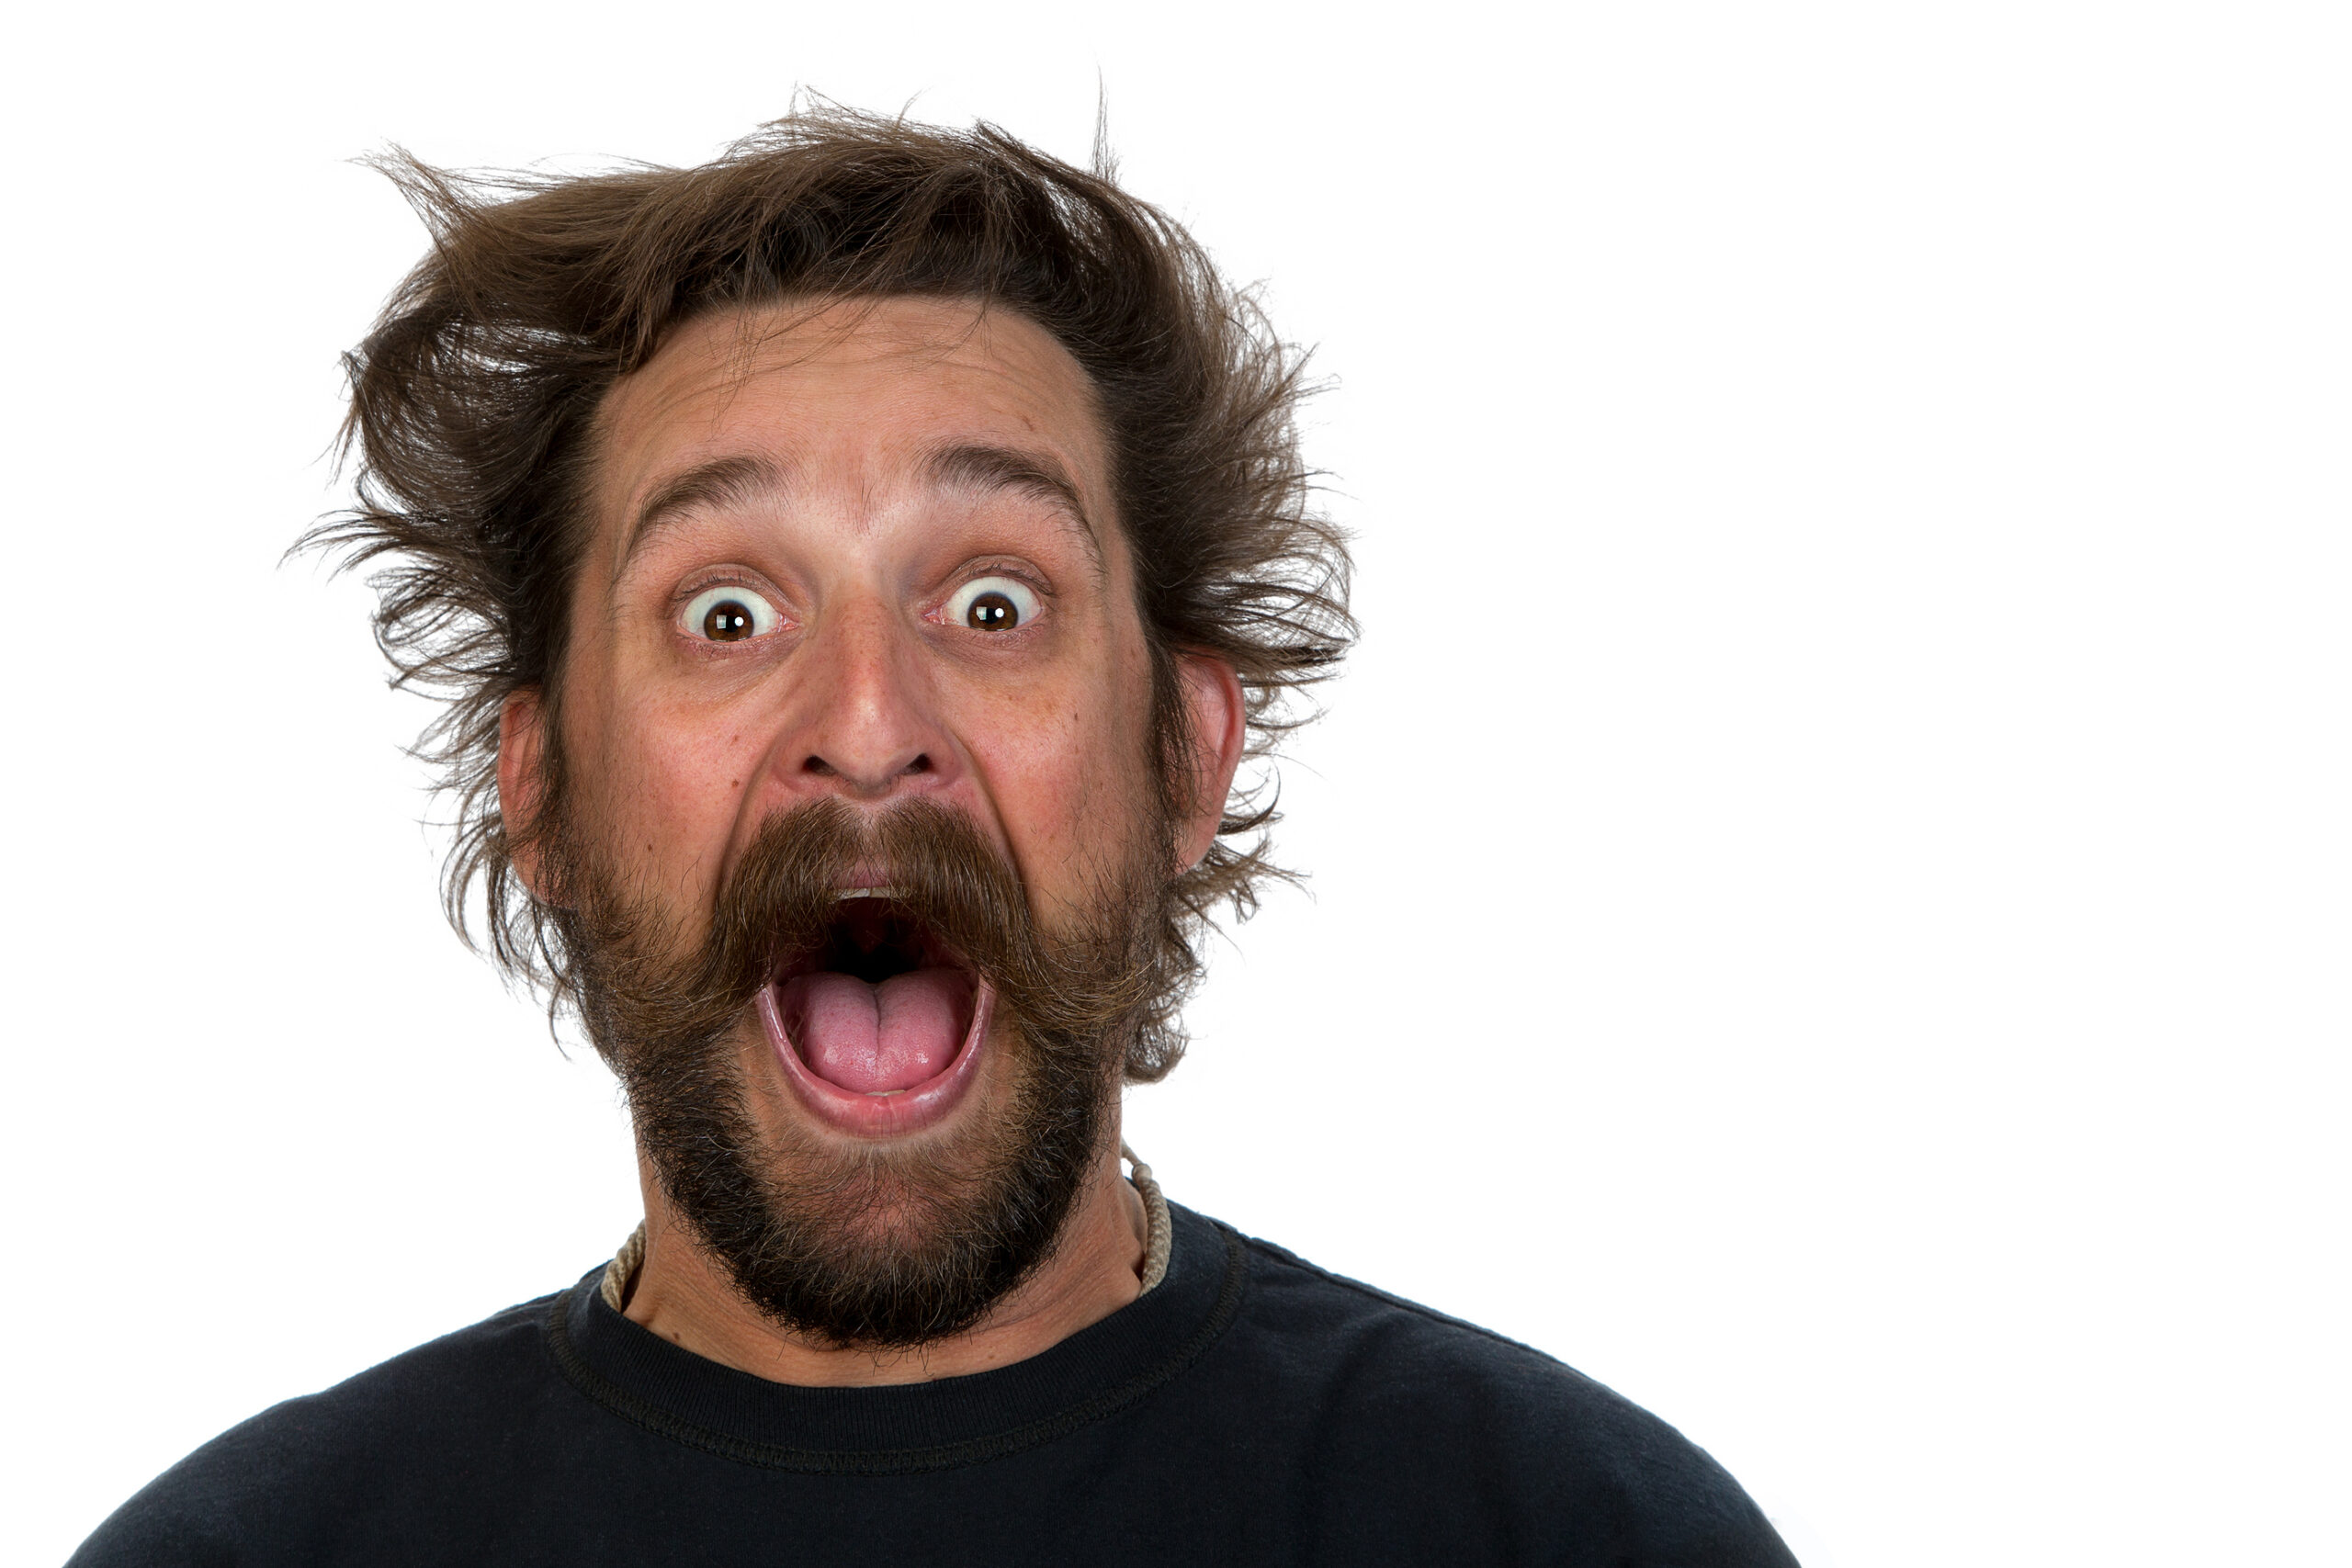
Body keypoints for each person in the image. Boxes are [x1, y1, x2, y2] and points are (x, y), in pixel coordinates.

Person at [72, 108, 1797, 1567]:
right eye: (728, 614)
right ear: (545, 796)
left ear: (1183, 755)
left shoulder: (1567, 1531)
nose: (873, 719)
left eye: (991, 599)